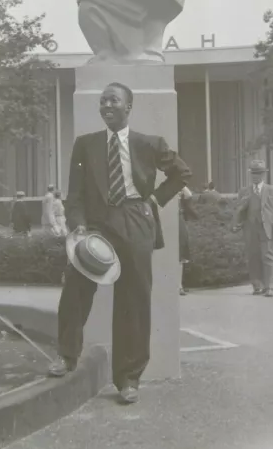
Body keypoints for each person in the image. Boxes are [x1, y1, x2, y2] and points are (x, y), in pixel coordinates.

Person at [48, 82, 192, 404]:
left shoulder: (148, 144)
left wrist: (153, 200)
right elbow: (75, 196)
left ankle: (128, 379)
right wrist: (79, 227)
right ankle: (66, 356)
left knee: (134, 300)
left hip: (135, 221)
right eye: (102, 102)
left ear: (129, 107)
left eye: (113, 101)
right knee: (76, 286)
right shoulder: (85, 146)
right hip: (96, 224)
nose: (106, 106)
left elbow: (182, 174)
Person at [231, 159, 273, 297]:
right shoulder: (244, 191)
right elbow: (239, 210)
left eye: (259, 173)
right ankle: (257, 286)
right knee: (253, 257)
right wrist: (236, 223)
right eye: (254, 173)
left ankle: (269, 287)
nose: (256, 176)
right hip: (250, 228)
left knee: (268, 256)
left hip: (266, 229)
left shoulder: (272, 191)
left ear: (263, 175)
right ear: (251, 174)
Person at [178, 186, 198, 296]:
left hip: (178, 218)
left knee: (180, 254)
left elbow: (188, 194)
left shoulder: (178, 187)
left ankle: (179, 285)